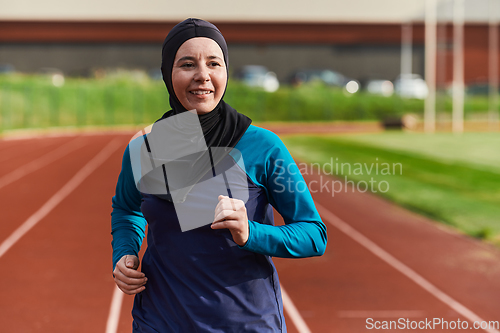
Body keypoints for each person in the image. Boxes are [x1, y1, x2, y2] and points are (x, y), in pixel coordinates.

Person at [111, 18, 327, 333]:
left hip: (245, 323)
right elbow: (127, 208)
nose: (203, 76)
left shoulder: (262, 146)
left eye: (214, 63)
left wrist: (250, 234)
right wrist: (126, 250)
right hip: (160, 321)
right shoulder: (144, 147)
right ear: (167, 74)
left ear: (225, 71)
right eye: (187, 64)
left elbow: (314, 234)